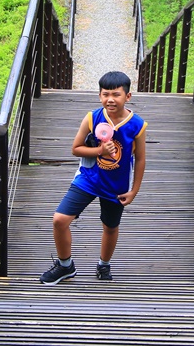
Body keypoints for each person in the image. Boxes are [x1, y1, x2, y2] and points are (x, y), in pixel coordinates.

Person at [40, 71, 147, 284]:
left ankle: (103, 264)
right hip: (88, 179)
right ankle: (65, 266)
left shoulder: (137, 125)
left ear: (128, 96)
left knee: (110, 226)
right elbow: (76, 149)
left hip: (116, 186)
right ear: (99, 96)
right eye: (105, 94)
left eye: (116, 94)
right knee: (59, 220)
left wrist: (134, 190)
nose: (110, 99)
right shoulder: (92, 118)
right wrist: (100, 151)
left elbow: (141, 159)